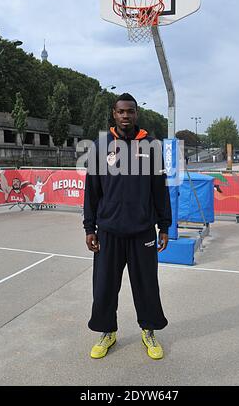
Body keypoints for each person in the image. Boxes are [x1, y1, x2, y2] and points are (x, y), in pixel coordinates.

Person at [83, 93, 172, 360]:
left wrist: (164, 226)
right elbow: (92, 192)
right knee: (104, 287)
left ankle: (149, 330)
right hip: (108, 230)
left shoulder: (151, 146)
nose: (126, 116)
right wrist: (90, 228)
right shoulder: (100, 147)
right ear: (114, 114)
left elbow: (160, 190)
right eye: (121, 111)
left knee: (146, 286)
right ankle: (107, 332)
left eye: (130, 111)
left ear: (136, 113)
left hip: (142, 230)